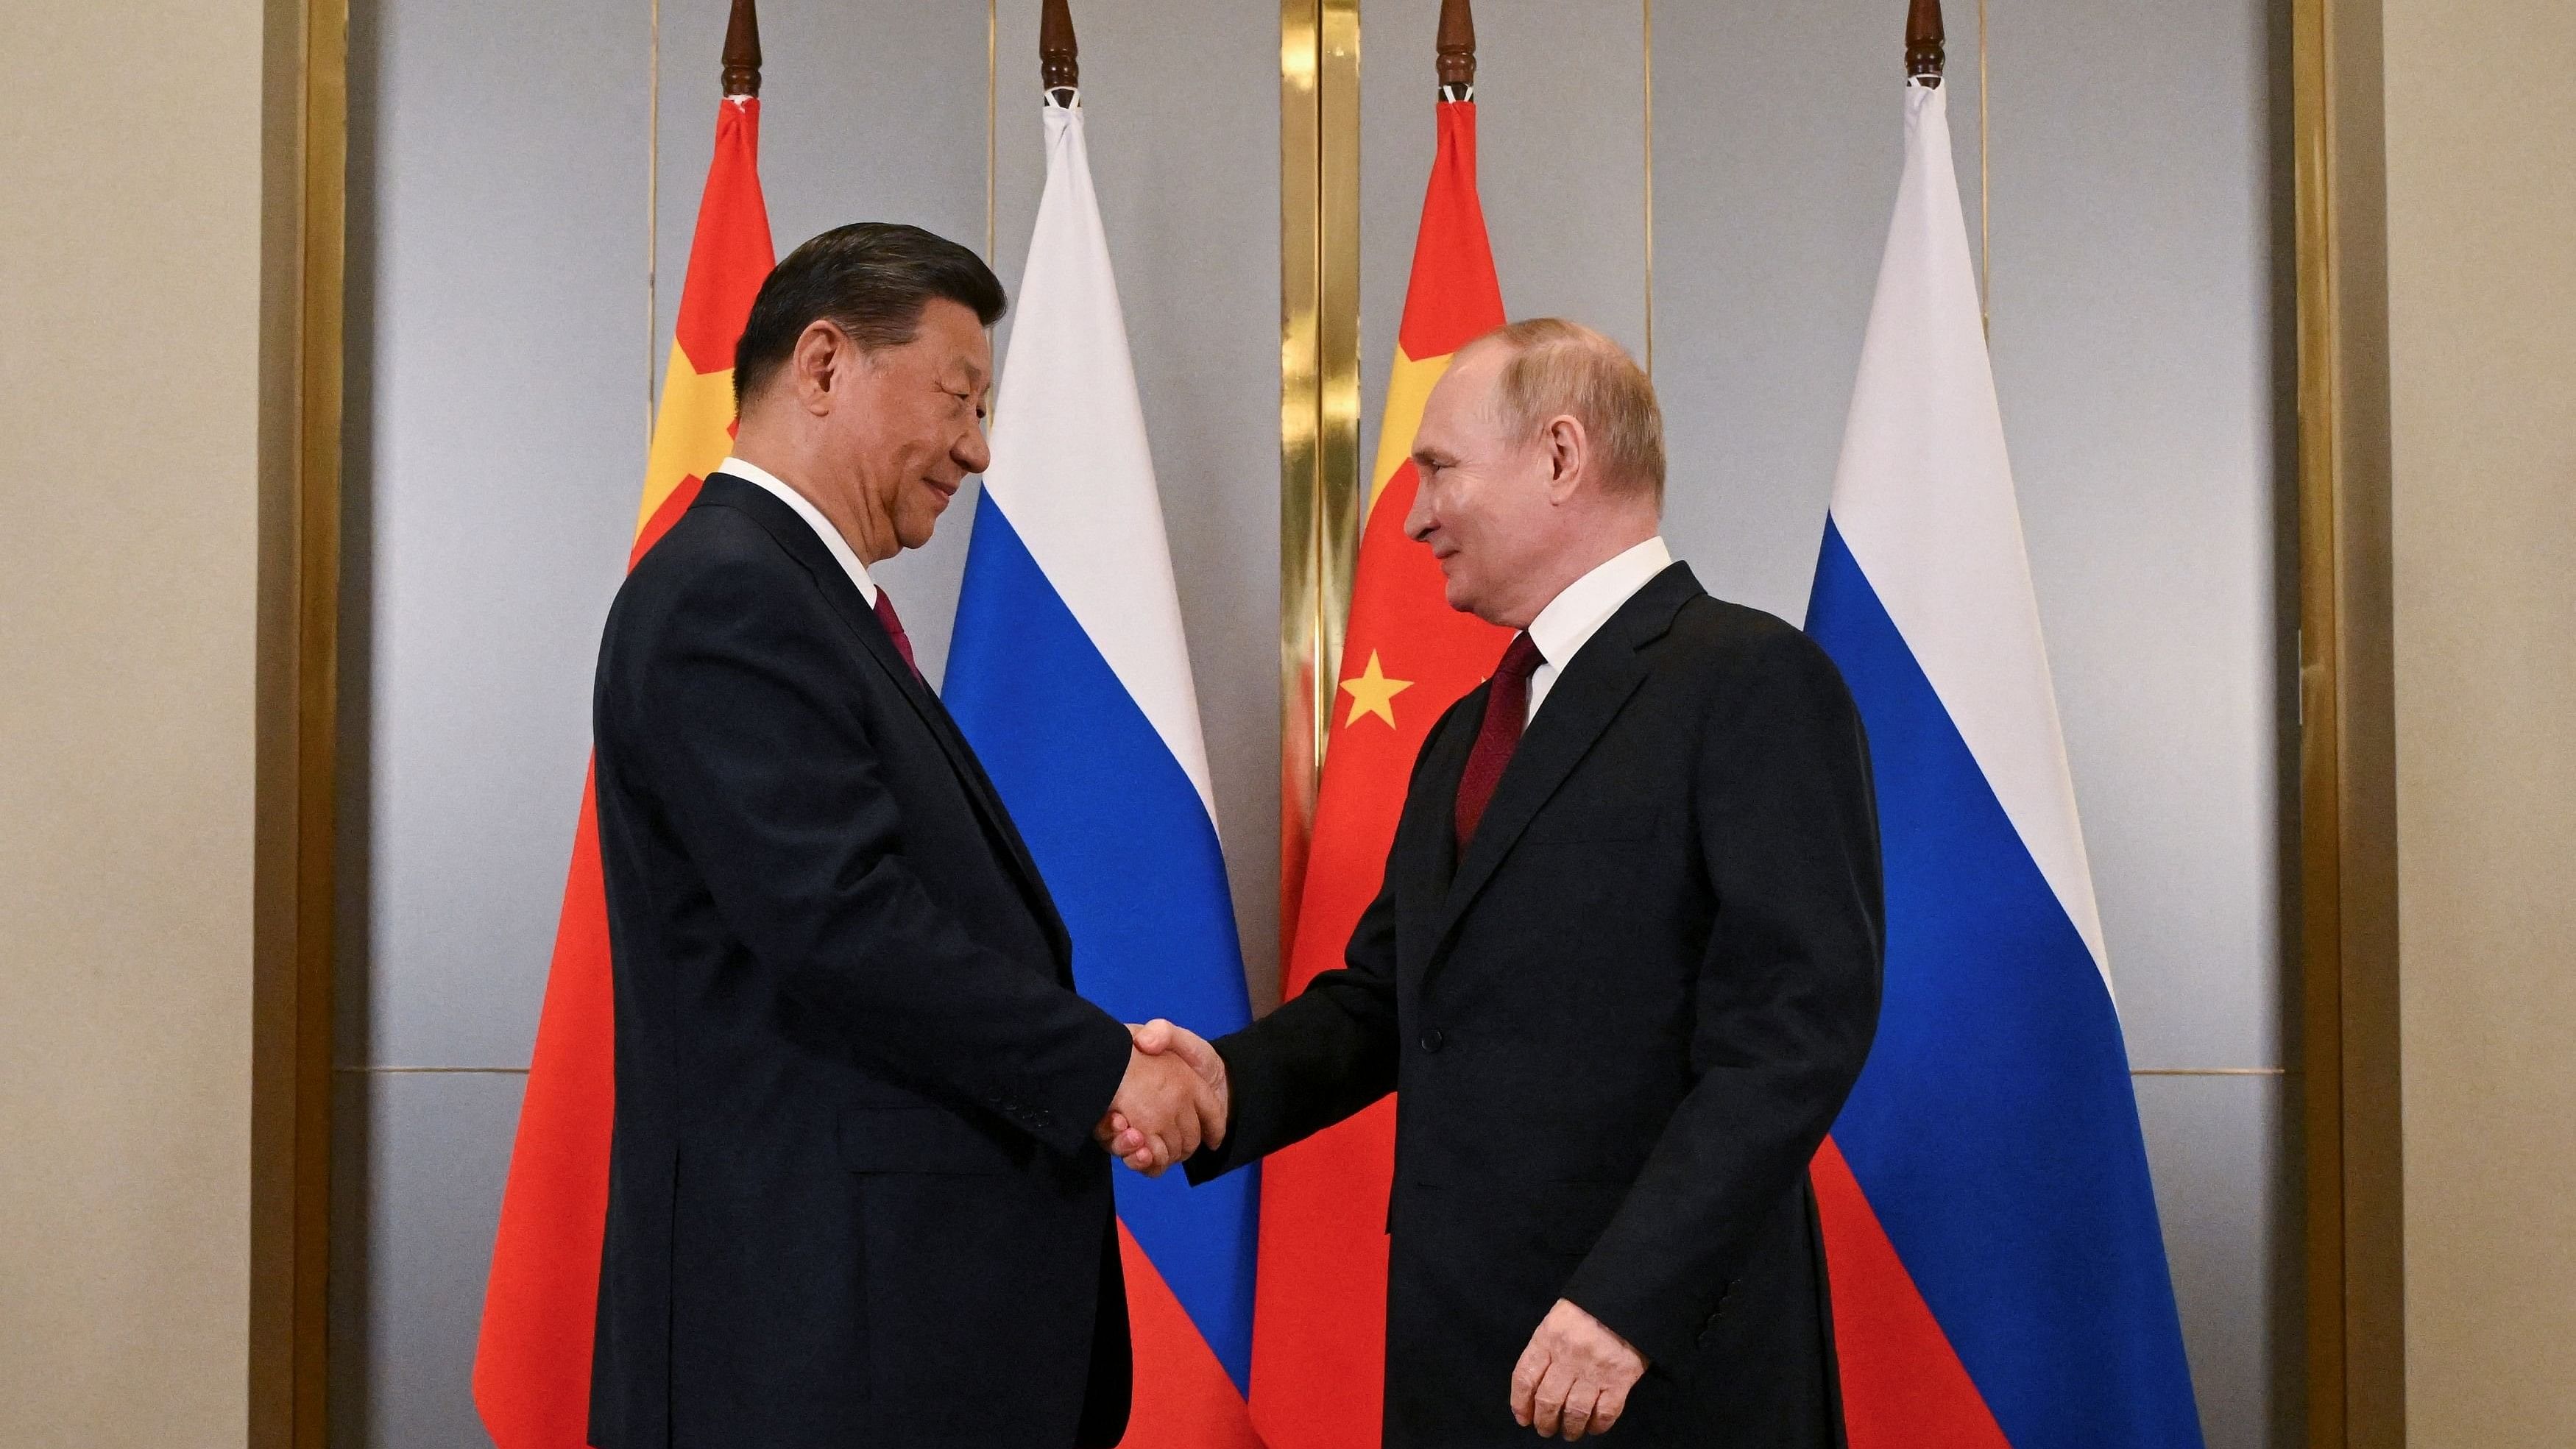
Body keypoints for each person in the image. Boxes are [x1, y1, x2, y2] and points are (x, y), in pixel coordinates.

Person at [1123, 319, 1884, 1445]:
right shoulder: (1466, 731)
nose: (1416, 513)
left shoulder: (1750, 680)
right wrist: (1227, 1086)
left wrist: (1626, 1303)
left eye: (1438, 468)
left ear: (1563, 456)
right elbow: (1394, 998)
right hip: (1463, 1357)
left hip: (1654, 1365)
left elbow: (1796, 1034)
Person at [586, 222, 1222, 1449]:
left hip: (873, 1335)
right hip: (813, 1340)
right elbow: (845, 924)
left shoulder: (800, 598)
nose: (978, 449)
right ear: (824, 365)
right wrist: (1102, 1069)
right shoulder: (731, 593)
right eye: (959, 398)